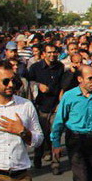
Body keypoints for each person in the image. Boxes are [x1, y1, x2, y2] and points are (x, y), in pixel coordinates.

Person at [26, 43, 66, 174]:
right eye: (49, 52)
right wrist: (38, 85)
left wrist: (60, 101)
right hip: (40, 107)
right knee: (40, 134)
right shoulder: (35, 67)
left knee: (55, 134)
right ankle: (38, 158)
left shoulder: (60, 67)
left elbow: (62, 85)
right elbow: (28, 82)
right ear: (43, 54)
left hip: (55, 106)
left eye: (54, 52)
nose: (52, 55)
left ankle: (55, 163)